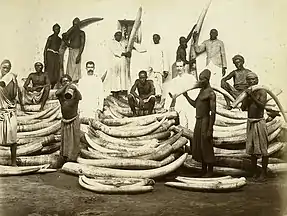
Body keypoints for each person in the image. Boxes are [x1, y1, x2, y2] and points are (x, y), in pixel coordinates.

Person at [183, 69, 216, 177]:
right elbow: (195, 104)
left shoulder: (211, 93)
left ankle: (210, 171)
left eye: (202, 79)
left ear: (207, 80)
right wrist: (186, 96)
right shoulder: (201, 91)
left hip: (205, 121)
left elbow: (213, 112)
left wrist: (210, 129)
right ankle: (203, 169)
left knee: (206, 145)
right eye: (200, 79)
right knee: (199, 145)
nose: (200, 81)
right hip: (198, 121)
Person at [240, 72, 268, 181]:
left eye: (252, 80)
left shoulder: (262, 91)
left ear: (257, 80)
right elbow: (243, 108)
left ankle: (264, 173)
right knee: (251, 149)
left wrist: (252, 96)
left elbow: (262, 106)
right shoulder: (247, 93)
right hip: (250, 122)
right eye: (248, 80)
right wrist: (247, 97)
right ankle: (255, 172)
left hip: (259, 122)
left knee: (263, 149)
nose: (250, 82)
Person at [56, 74, 82, 164]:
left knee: (74, 140)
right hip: (65, 121)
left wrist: (74, 88)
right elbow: (57, 93)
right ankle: (65, 156)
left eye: (67, 81)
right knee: (65, 140)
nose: (65, 82)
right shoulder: (61, 94)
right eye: (63, 81)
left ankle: (73, 158)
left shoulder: (74, 93)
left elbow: (80, 97)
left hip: (73, 119)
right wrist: (66, 85)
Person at [0, 72, 19, 166]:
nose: (5, 70)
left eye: (7, 68)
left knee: (13, 139)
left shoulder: (12, 81)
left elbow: (13, 95)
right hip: (1, 113)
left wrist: (15, 83)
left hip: (10, 113)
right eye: (4, 67)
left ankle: (13, 161)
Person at [107, 31, 131, 97]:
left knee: (122, 77)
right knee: (115, 77)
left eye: (120, 35)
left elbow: (128, 44)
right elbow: (116, 52)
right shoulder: (112, 43)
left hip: (122, 62)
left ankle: (122, 92)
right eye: (117, 35)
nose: (119, 37)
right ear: (115, 36)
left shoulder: (122, 43)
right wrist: (125, 54)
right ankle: (115, 93)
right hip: (115, 62)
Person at [63, 17, 86, 83]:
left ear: (79, 24)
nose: (75, 26)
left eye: (76, 24)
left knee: (76, 70)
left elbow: (82, 44)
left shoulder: (82, 33)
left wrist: (79, 55)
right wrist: (65, 39)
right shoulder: (71, 33)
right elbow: (68, 43)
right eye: (74, 24)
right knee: (70, 69)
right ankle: (69, 83)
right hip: (71, 52)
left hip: (77, 52)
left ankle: (75, 83)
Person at [148, 34, 169, 100]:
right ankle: (153, 98)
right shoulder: (151, 47)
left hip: (159, 68)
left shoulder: (162, 47)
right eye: (154, 38)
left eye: (156, 38)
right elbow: (150, 58)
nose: (155, 39)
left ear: (159, 39)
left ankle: (159, 98)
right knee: (153, 83)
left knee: (159, 84)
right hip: (152, 68)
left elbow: (165, 59)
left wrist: (166, 70)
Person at [44, 23, 62, 89]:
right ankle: (48, 87)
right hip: (50, 55)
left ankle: (53, 87)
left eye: (58, 29)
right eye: (56, 29)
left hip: (56, 56)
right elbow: (45, 49)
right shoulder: (50, 38)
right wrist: (45, 60)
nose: (57, 30)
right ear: (53, 30)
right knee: (49, 71)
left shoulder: (60, 39)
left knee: (55, 72)